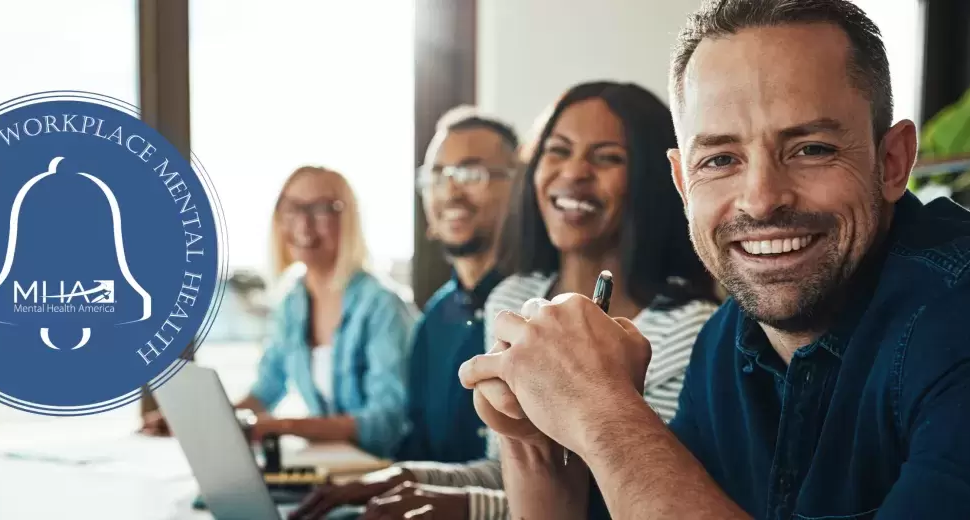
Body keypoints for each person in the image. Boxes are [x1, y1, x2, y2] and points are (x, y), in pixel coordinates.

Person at [459, 1, 970, 519]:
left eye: (811, 149)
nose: (762, 198)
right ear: (683, 185)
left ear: (893, 161)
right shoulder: (728, 344)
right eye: (721, 159)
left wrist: (606, 412)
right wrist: (532, 435)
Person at [295, 81, 722, 520]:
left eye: (608, 157)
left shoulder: (690, 329)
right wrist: (403, 476)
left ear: (654, 179)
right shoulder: (514, 296)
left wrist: (470, 508)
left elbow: (631, 497)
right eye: (558, 151)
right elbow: (511, 470)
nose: (574, 172)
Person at [290, 107, 519, 519]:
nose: (450, 192)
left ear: (520, 188)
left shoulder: (533, 306)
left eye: (470, 174)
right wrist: (377, 483)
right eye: (437, 176)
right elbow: (419, 442)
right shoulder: (436, 317)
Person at [143, 166, 417, 459]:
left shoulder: (382, 306)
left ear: (348, 219)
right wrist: (200, 422)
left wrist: (280, 427)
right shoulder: (292, 301)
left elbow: (384, 426)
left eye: (321, 209)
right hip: (335, 468)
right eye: (292, 208)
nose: (303, 224)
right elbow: (266, 392)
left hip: (388, 474)